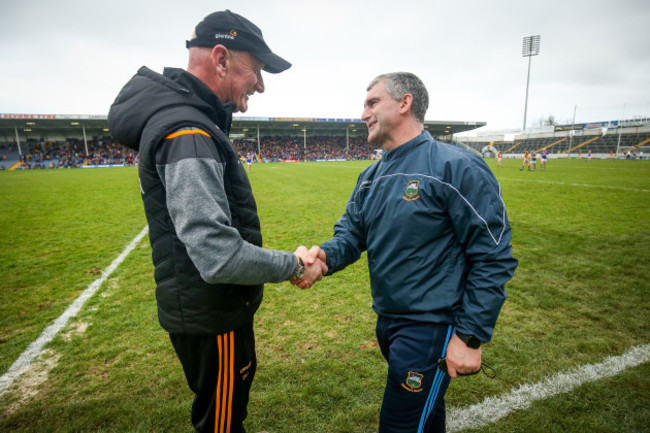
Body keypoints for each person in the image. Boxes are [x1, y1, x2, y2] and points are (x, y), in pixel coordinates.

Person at [108, 10, 325, 433]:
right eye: (256, 70)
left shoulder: (192, 121)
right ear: (221, 59)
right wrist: (295, 264)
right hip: (212, 316)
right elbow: (217, 255)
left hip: (206, 311)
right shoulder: (187, 130)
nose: (260, 85)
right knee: (221, 425)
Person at [300, 72, 518, 433]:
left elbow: (492, 254)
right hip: (389, 322)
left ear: (405, 103)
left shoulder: (455, 166)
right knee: (426, 420)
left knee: (399, 426)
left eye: (372, 102)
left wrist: (470, 336)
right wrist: (322, 258)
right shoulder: (370, 176)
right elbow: (351, 235)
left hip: (431, 327)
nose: (363, 113)